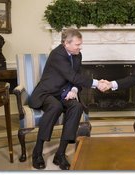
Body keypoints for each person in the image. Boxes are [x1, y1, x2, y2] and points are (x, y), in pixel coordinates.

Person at [29, 28, 106, 170]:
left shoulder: (77, 55)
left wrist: (74, 90)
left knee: (76, 106)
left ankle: (60, 154)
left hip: (63, 93)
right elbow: (73, 76)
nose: (80, 47)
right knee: (55, 106)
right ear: (66, 43)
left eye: (80, 44)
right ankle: (37, 153)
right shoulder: (57, 54)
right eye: (77, 44)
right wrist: (97, 83)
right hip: (47, 93)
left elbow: (77, 77)